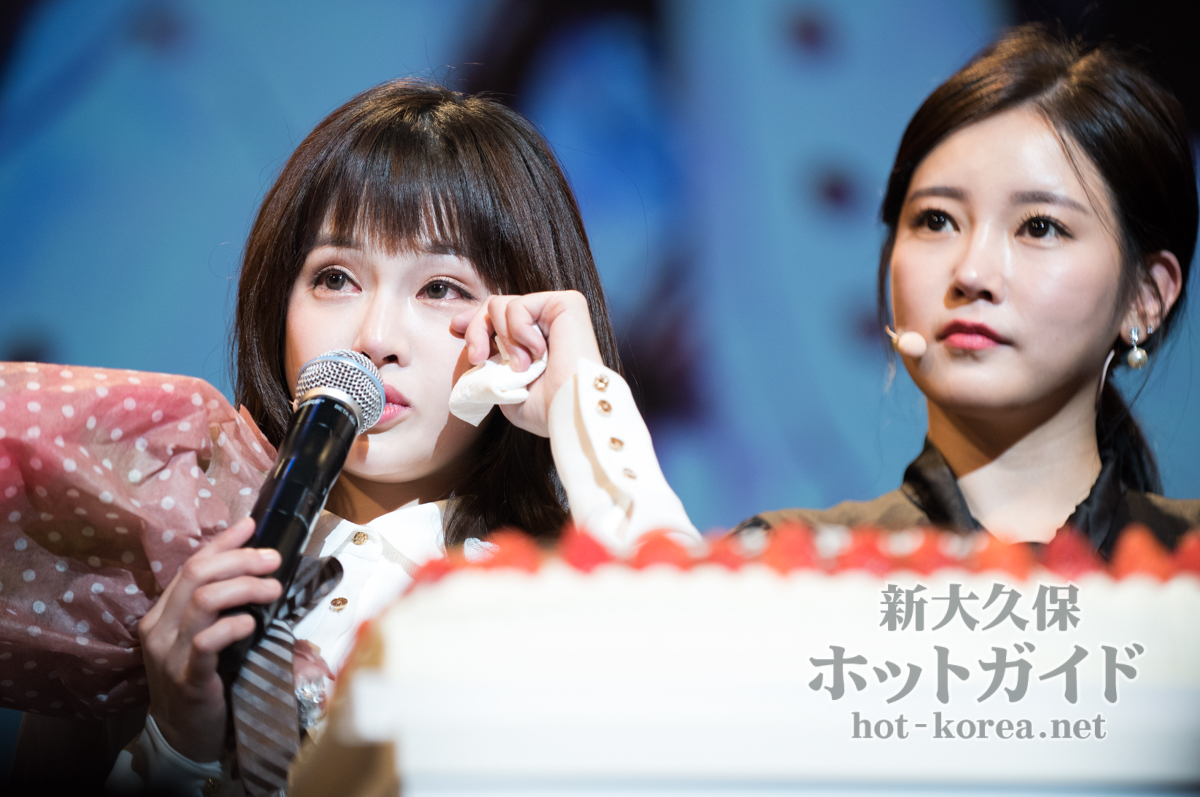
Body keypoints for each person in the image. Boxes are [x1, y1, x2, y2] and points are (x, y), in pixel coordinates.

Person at [10, 79, 697, 797]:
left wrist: (580, 402)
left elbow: (709, 679)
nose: (374, 337)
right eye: (335, 278)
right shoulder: (154, 573)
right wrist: (178, 749)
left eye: (441, 289)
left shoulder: (558, 596)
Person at [738, 25, 1200, 553]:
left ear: (1146, 297)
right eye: (936, 220)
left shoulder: (1187, 569)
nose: (972, 274)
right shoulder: (784, 565)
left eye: (1039, 227)